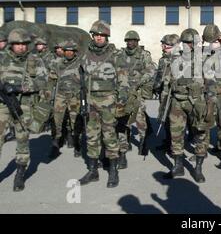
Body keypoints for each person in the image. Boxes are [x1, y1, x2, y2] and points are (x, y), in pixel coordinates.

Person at [78, 20, 128, 188]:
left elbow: (123, 81)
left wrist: (121, 103)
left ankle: (113, 171)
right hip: (90, 101)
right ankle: (93, 171)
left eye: (102, 35)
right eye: (96, 35)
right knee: (91, 136)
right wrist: (81, 101)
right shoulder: (84, 54)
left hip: (109, 102)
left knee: (109, 136)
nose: (99, 38)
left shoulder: (115, 55)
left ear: (107, 37)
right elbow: (80, 80)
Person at [0, 28, 47, 191]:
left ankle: (20, 173)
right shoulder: (2, 59)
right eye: (17, 44)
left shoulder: (35, 60)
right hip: (2, 105)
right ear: (11, 44)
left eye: (24, 44)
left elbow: (42, 81)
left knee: (22, 139)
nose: (21, 47)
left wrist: (20, 87)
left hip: (24, 105)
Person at [164, 28, 210, 183]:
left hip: (196, 102)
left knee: (200, 134)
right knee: (176, 135)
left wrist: (210, 104)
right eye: (186, 42)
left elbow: (211, 83)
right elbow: (168, 80)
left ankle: (198, 168)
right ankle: (178, 166)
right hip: (177, 101)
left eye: (192, 43)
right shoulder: (174, 58)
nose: (189, 45)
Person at [116, 30, 156, 168]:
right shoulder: (120, 54)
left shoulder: (144, 55)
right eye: (128, 40)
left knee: (140, 118)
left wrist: (138, 82)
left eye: (133, 40)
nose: (130, 43)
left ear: (138, 42)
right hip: (122, 92)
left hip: (137, 92)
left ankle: (143, 142)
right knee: (123, 118)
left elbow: (151, 70)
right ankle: (124, 144)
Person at [202, 25, 221, 166]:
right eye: (209, 42)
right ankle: (201, 151)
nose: (211, 45)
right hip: (207, 94)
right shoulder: (204, 54)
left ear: (219, 41)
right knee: (205, 122)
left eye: (214, 41)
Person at [48, 40, 82, 158]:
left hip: (75, 97)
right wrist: (47, 96)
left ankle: (77, 144)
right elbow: (51, 80)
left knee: (75, 121)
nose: (68, 53)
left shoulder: (80, 63)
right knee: (57, 121)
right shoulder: (58, 64)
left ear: (75, 52)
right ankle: (55, 144)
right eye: (66, 51)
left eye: (71, 51)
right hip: (60, 96)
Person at [153, 34, 180, 152]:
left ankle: (175, 145)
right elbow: (159, 77)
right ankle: (168, 140)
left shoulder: (181, 59)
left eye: (165, 45)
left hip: (174, 94)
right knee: (165, 118)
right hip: (164, 94)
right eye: (163, 45)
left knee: (175, 120)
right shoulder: (163, 59)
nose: (163, 47)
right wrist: (156, 88)